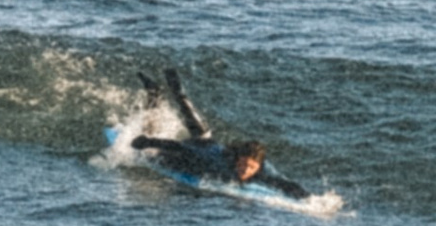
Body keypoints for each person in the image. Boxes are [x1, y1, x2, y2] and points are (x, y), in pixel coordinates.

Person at [125, 70, 309, 198]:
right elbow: (179, 147)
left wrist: (307, 197)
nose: (245, 170)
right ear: (237, 160)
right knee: (153, 146)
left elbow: (282, 183)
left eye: (250, 167)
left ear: (258, 166)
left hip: (206, 142)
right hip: (190, 154)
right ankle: (157, 94)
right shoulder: (217, 164)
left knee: (203, 132)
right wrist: (148, 142)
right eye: (243, 164)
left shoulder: (260, 171)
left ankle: (170, 93)